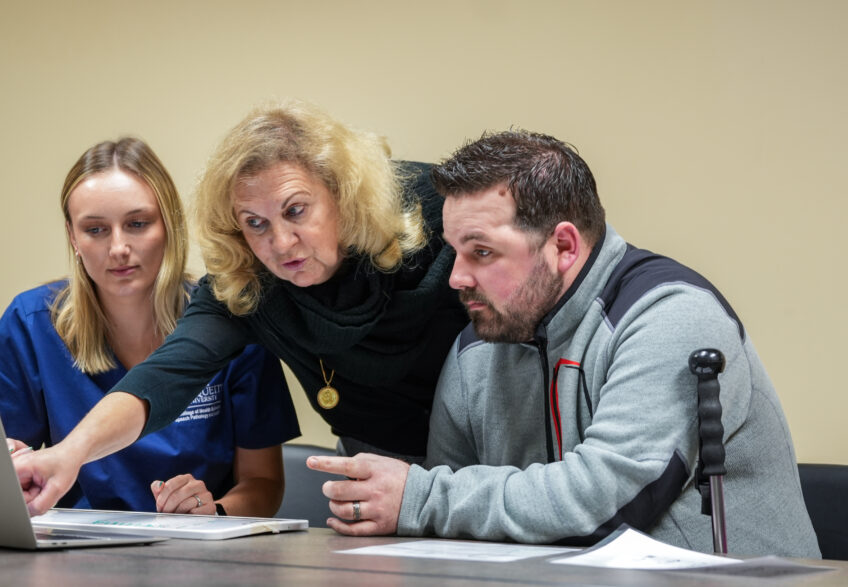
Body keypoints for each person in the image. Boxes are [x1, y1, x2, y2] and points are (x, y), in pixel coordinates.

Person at [308, 130, 821, 558]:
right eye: (454, 252)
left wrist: (416, 499)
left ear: (564, 246)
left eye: (482, 252)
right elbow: (453, 525)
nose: (456, 278)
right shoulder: (474, 349)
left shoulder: (669, 315)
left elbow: (611, 502)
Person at [12, 101, 470, 516]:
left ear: (341, 196)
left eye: (296, 211)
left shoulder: (433, 216)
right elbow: (165, 377)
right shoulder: (248, 288)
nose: (281, 243)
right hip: (378, 458)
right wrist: (66, 456)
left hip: (485, 444)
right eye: (255, 223)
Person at [0, 137, 299, 516]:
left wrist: (214, 513)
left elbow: (264, 483)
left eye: (137, 224)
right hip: (74, 556)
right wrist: (7, 463)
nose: (118, 248)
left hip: (195, 557)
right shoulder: (33, 324)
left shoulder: (229, 323)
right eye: (95, 230)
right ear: (72, 237)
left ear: (170, 225)